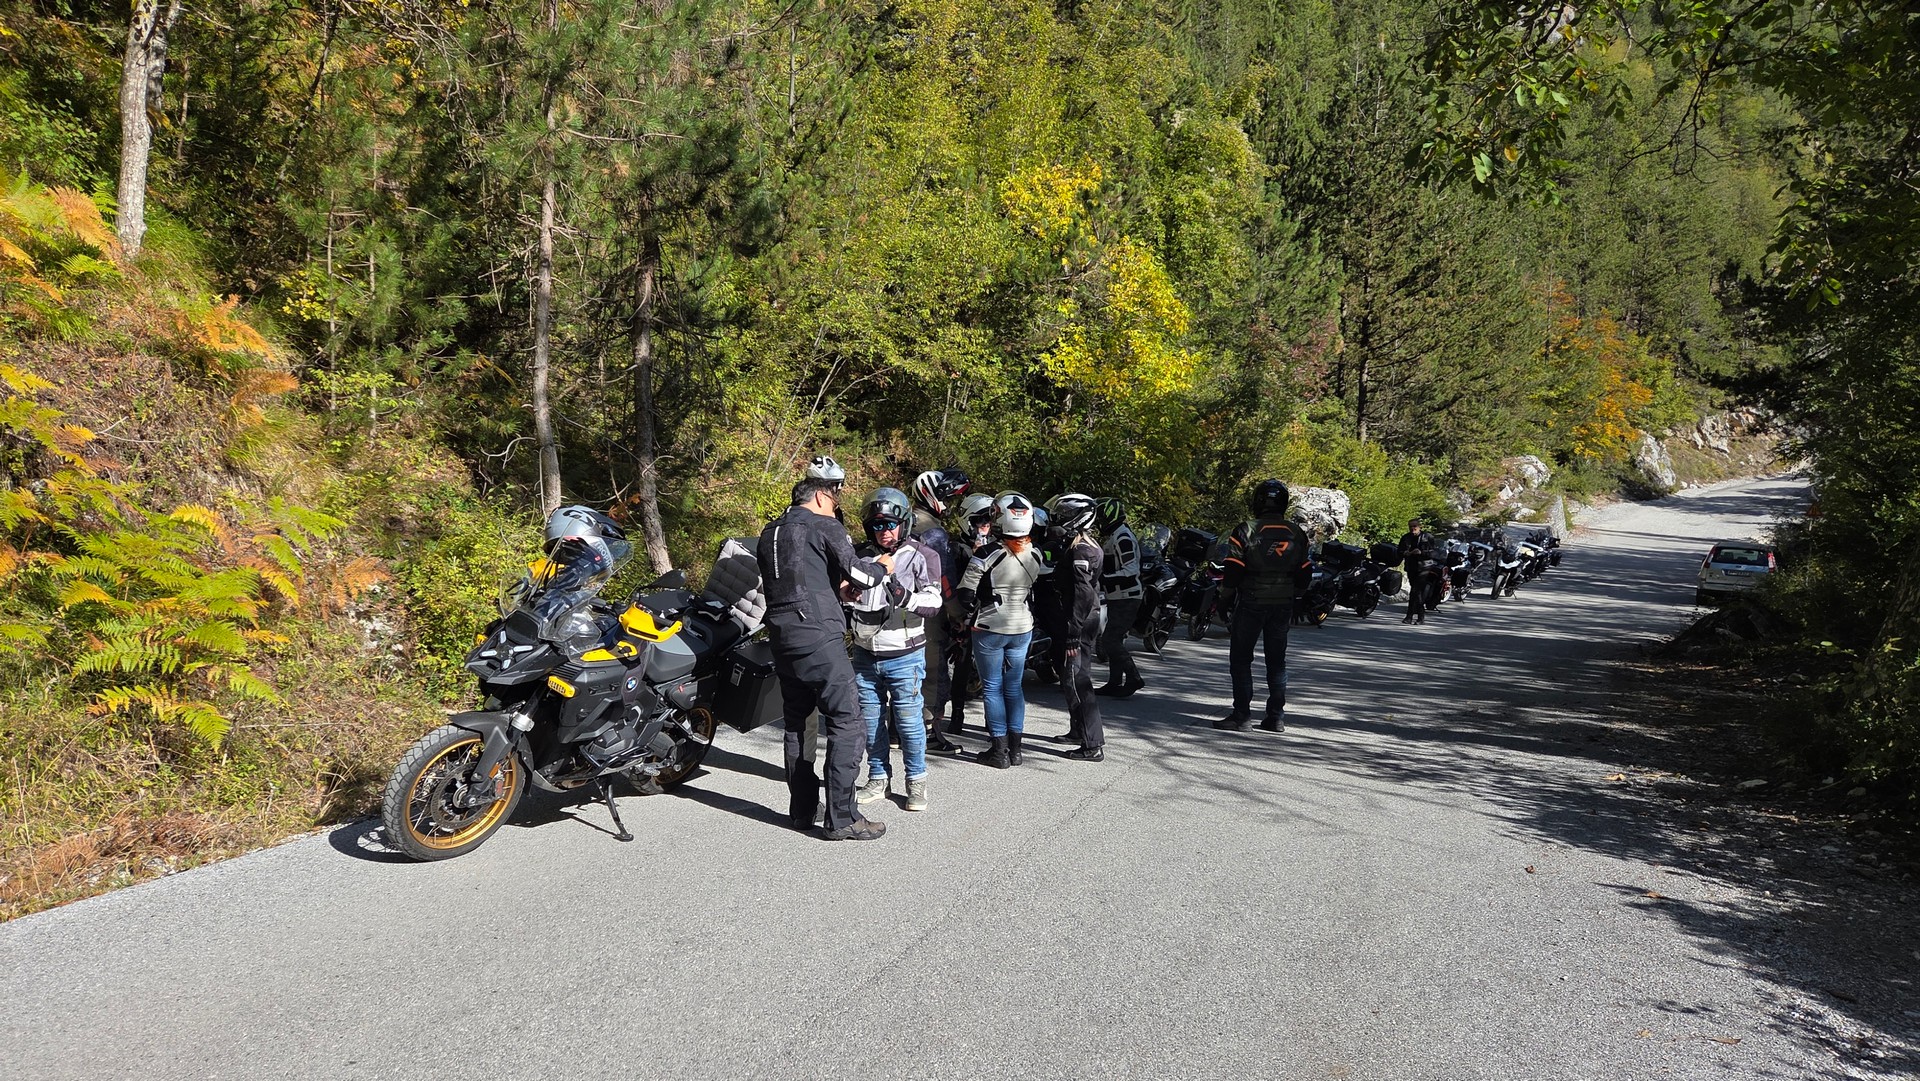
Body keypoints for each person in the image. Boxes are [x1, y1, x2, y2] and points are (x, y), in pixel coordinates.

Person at [756, 455, 892, 841]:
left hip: (782, 637)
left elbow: (798, 581)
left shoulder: (771, 531)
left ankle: (802, 810)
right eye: (835, 499)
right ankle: (843, 817)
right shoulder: (824, 524)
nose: (836, 506)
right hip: (818, 637)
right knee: (848, 721)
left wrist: (838, 592)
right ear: (820, 496)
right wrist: (883, 566)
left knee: (798, 723)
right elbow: (862, 573)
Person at [848, 487, 944, 813]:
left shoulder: (923, 555)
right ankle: (878, 778)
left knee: (909, 722)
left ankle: (916, 781)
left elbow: (934, 602)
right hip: (865, 652)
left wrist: (905, 597)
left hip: (905, 655)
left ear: (904, 524)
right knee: (871, 721)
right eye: (877, 525)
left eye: (890, 524)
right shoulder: (860, 556)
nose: (884, 531)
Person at [954, 492, 1048, 769]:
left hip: (990, 626)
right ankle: (1016, 751)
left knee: (992, 688)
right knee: (1014, 686)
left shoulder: (986, 553)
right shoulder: (1037, 553)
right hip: (1023, 626)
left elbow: (965, 595)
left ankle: (998, 751)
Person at [1214, 478, 1311, 732]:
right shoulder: (1296, 533)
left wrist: (1224, 599)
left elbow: (1233, 572)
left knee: (1241, 659)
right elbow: (1305, 574)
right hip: (1282, 604)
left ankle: (1241, 716)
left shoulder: (1245, 530)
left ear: (1257, 501)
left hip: (1251, 601)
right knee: (1277, 661)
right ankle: (1276, 717)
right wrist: (1295, 596)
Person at [911, 467, 971, 754]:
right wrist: (958, 614)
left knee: (906, 673)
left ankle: (898, 730)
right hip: (929, 612)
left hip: (901, 607)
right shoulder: (932, 532)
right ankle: (929, 735)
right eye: (947, 497)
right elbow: (944, 580)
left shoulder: (902, 520)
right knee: (933, 676)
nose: (948, 504)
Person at [1049, 493, 1106, 760]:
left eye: (1065, 515)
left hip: (1081, 621)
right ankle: (1078, 731)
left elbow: (1083, 592)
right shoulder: (1081, 544)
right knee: (1071, 677)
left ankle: (1093, 745)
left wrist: (1073, 631)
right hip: (1084, 618)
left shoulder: (1082, 549)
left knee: (1077, 680)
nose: (1059, 519)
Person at [945, 491, 999, 731]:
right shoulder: (957, 548)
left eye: (988, 520)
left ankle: (993, 721)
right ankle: (956, 716)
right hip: (965, 614)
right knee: (962, 667)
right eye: (979, 520)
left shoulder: (997, 547)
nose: (984, 525)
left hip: (990, 614)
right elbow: (953, 583)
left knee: (992, 672)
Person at [1095, 496, 1145, 698]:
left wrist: (1103, 579)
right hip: (1118, 596)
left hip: (1127, 596)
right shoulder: (1116, 535)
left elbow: (1131, 570)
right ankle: (1114, 682)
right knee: (1113, 639)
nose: (1098, 521)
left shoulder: (1123, 537)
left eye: (1101, 517)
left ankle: (1134, 677)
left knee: (1110, 640)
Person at [1399, 517, 1439, 625]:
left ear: (1419, 527)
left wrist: (1421, 552)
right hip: (1411, 567)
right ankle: (1418, 617)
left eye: (1415, 526)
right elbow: (1399, 551)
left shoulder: (1428, 537)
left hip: (1424, 567)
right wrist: (1405, 553)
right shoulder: (1406, 537)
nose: (1413, 528)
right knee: (1416, 591)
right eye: (1410, 527)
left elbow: (1434, 553)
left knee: (1415, 590)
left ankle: (1411, 616)